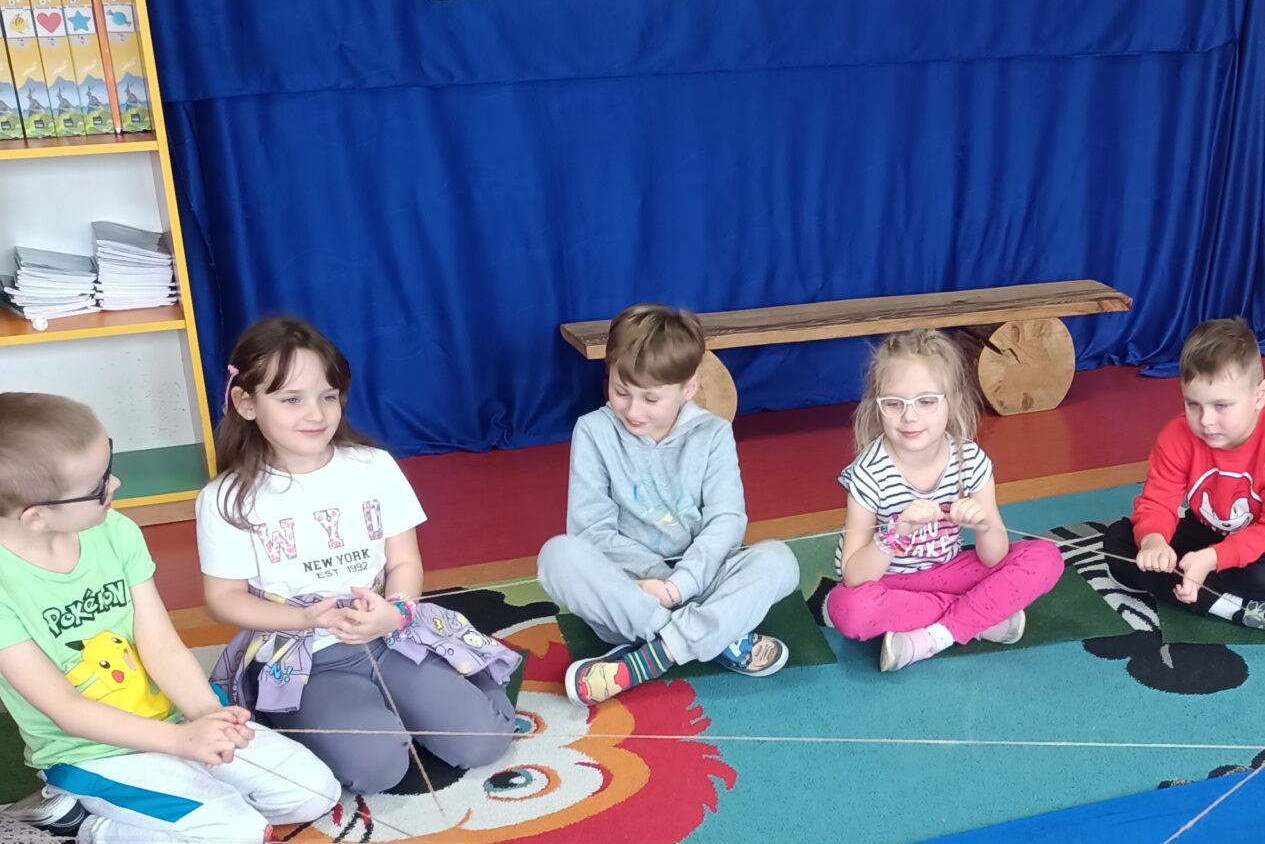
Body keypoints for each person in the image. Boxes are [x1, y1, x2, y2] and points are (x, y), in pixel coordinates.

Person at [0, 393, 338, 844]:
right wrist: (181, 743)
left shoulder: (115, 531)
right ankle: (79, 825)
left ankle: (187, 789)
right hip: (95, 755)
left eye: (109, 463)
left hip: (176, 722)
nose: (115, 483)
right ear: (35, 516)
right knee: (235, 842)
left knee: (314, 793)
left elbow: (159, 642)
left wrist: (206, 716)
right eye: (98, 486)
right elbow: (66, 709)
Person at [197, 317, 519, 792]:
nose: (316, 414)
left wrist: (396, 611)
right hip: (304, 659)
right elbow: (224, 598)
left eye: (328, 396)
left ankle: (454, 681)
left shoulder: (373, 466)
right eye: (291, 399)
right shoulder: (226, 497)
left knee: (484, 742)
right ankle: (300, 713)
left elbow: (404, 561)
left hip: (388, 636)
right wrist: (305, 620)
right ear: (246, 403)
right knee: (378, 770)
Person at [535, 304, 800, 705]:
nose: (632, 409)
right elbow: (591, 531)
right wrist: (659, 586)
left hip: (701, 581)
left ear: (688, 388)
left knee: (780, 562)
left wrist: (680, 586)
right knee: (557, 556)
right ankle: (713, 635)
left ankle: (652, 657)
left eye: (650, 398)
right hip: (632, 595)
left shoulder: (713, 433)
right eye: (621, 391)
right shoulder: (592, 431)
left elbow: (726, 520)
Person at [825, 329, 1062, 673]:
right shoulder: (868, 474)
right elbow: (854, 576)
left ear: (952, 401)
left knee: (1046, 558)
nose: (910, 417)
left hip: (950, 573)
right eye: (894, 403)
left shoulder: (970, 460)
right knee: (847, 609)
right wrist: (895, 534)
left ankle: (933, 637)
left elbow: (993, 557)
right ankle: (982, 617)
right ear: (877, 406)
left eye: (926, 401)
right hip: (889, 584)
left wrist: (983, 527)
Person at [1104, 316, 1265, 638]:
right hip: (1207, 534)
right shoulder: (1176, 436)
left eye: (1221, 405)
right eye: (1193, 404)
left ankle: (1194, 588)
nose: (1205, 420)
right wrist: (1154, 541)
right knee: (1118, 541)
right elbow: (1157, 503)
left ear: (1259, 395)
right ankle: (1235, 608)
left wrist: (1213, 558)